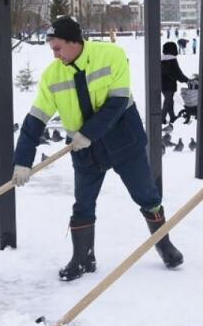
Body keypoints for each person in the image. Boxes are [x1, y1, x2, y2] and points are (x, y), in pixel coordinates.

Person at [11, 16, 184, 280]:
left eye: (57, 48)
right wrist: (22, 160)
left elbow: (118, 101)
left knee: (146, 195)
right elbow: (35, 119)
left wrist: (88, 133)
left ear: (74, 42)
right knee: (83, 204)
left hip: (123, 139)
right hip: (85, 151)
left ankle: (164, 244)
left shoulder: (112, 55)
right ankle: (82, 259)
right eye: (52, 49)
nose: (55, 55)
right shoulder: (52, 75)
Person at [160, 41, 190, 125]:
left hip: (162, 84)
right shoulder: (172, 59)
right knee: (168, 100)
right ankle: (162, 118)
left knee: (169, 100)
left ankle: (172, 116)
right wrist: (186, 80)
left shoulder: (161, 59)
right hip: (169, 84)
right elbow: (177, 73)